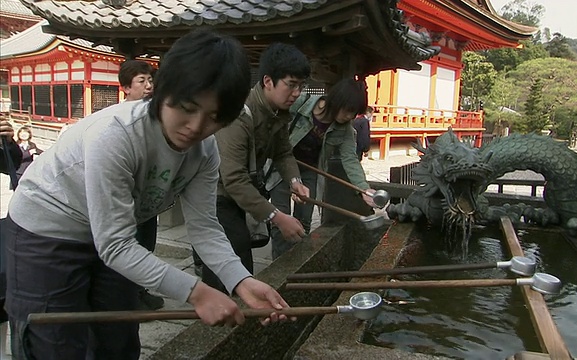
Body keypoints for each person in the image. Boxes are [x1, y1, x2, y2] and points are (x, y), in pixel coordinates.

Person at [4, 29, 292, 360]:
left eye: (214, 117)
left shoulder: (205, 151)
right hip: (47, 232)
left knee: (119, 338)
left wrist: (240, 280)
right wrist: (196, 292)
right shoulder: (116, 136)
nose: (195, 127)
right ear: (162, 90)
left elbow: (204, 227)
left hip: (114, 236)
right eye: (186, 107)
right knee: (53, 344)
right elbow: (115, 245)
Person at [199, 42, 311, 291]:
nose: (296, 93)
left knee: (237, 259)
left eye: (300, 86)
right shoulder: (238, 114)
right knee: (235, 264)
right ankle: (219, 317)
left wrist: (295, 181)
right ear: (268, 81)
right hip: (215, 194)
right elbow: (233, 179)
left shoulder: (277, 111)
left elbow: (283, 152)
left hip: (238, 193)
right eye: (291, 84)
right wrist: (277, 216)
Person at [268, 78, 379, 260]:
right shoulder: (301, 103)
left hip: (310, 169)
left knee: (303, 220)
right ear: (337, 101)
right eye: (349, 111)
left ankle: (295, 263)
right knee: (280, 220)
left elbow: (350, 158)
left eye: (354, 114)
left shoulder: (344, 129)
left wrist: (362, 188)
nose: (350, 117)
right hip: (281, 167)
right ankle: (278, 266)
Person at [118, 58, 165, 310]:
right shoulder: (118, 119)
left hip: (149, 192)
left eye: (150, 80)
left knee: (146, 244)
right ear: (126, 87)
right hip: (125, 195)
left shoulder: (156, 116)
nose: (148, 86)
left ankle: (140, 288)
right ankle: (125, 292)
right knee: (126, 244)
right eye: (141, 81)